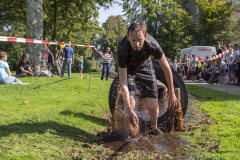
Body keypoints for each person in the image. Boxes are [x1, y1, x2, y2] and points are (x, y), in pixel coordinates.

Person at [116, 20, 178, 134]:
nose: (137, 44)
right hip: (129, 70)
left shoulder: (152, 45)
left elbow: (167, 69)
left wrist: (172, 92)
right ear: (128, 37)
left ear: (145, 36)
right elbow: (123, 81)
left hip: (145, 67)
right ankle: (130, 131)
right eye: (133, 40)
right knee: (131, 101)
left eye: (140, 40)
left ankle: (153, 129)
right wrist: (129, 109)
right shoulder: (122, 50)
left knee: (153, 106)